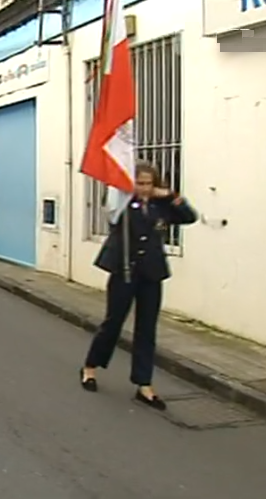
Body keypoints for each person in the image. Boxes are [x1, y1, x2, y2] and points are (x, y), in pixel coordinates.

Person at [80, 160, 197, 410]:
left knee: (147, 329)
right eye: (139, 183)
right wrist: (123, 189)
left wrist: (171, 195)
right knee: (113, 323)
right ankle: (90, 367)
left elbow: (189, 217)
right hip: (124, 270)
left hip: (151, 273)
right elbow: (112, 215)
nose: (143, 188)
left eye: (148, 183)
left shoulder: (160, 205)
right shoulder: (122, 204)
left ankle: (144, 384)